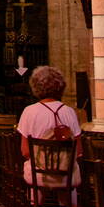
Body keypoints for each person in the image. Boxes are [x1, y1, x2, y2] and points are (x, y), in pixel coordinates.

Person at [16, 65, 82, 193]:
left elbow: (25, 152)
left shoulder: (29, 111)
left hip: (39, 176)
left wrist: (45, 162)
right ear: (61, 86)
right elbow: (78, 150)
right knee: (71, 169)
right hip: (66, 176)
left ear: (35, 86)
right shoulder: (69, 112)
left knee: (33, 167)